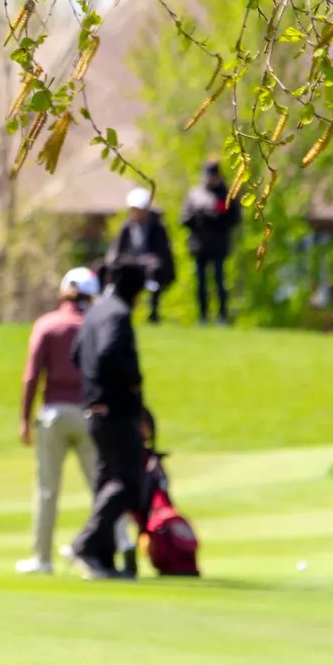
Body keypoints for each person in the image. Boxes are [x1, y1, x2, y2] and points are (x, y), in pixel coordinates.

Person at [16, 266, 100, 574]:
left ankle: (42, 559)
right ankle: (109, 550)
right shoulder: (94, 325)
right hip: (90, 414)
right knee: (101, 488)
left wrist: (24, 418)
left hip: (53, 414)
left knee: (47, 490)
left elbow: (31, 376)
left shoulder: (47, 325)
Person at [68, 257, 148, 580]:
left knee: (106, 484)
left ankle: (102, 560)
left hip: (94, 410)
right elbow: (109, 353)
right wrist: (133, 379)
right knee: (128, 484)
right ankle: (85, 545)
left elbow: (77, 355)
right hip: (115, 411)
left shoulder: (95, 312)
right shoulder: (117, 313)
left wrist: (94, 385)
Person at [180, 158, 241, 325]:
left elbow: (235, 219)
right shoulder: (195, 195)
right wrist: (200, 215)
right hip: (199, 246)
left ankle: (222, 316)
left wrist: (216, 216)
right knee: (201, 284)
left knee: (220, 282)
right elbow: (184, 219)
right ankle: (203, 316)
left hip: (219, 246)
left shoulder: (227, 195)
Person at [106, 187, 175, 324]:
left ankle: (153, 313)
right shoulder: (126, 227)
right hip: (131, 264)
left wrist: (148, 261)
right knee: (120, 272)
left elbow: (162, 252)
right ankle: (122, 310)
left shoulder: (156, 227)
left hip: (151, 265)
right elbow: (117, 251)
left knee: (155, 270)